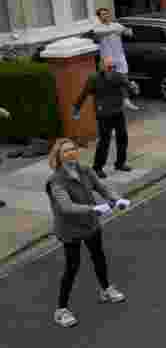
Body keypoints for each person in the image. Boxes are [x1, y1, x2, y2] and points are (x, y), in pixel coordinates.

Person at [46, 138, 129, 328]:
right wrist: (95, 209)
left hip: (90, 225)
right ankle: (61, 310)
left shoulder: (86, 171)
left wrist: (117, 199)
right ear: (58, 156)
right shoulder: (55, 181)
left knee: (98, 256)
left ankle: (106, 289)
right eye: (65, 151)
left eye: (73, 149)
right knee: (72, 267)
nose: (71, 153)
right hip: (70, 229)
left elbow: (103, 188)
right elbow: (66, 207)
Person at [72, 56, 140, 179]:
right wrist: (76, 109)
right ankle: (97, 168)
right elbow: (84, 94)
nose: (111, 69)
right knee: (104, 141)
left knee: (122, 137)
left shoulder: (118, 76)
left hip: (117, 112)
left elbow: (130, 88)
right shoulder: (94, 78)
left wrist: (134, 88)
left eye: (113, 67)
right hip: (103, 114)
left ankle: (120, 163)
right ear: (101, 66)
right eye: (109, 67)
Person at [88, 9, 140, 111]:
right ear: (99, 17)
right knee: (109, 81)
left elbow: (128, 32)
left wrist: (128, 31)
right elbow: (95, 35)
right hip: (107, 59)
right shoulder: (97, 28)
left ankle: (126, 101)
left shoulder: (116, 25)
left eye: (107, 14)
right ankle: (112, 103)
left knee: (124, 78)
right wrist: (113, 31)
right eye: (103, 15)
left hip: (119, 57)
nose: (105, 16)